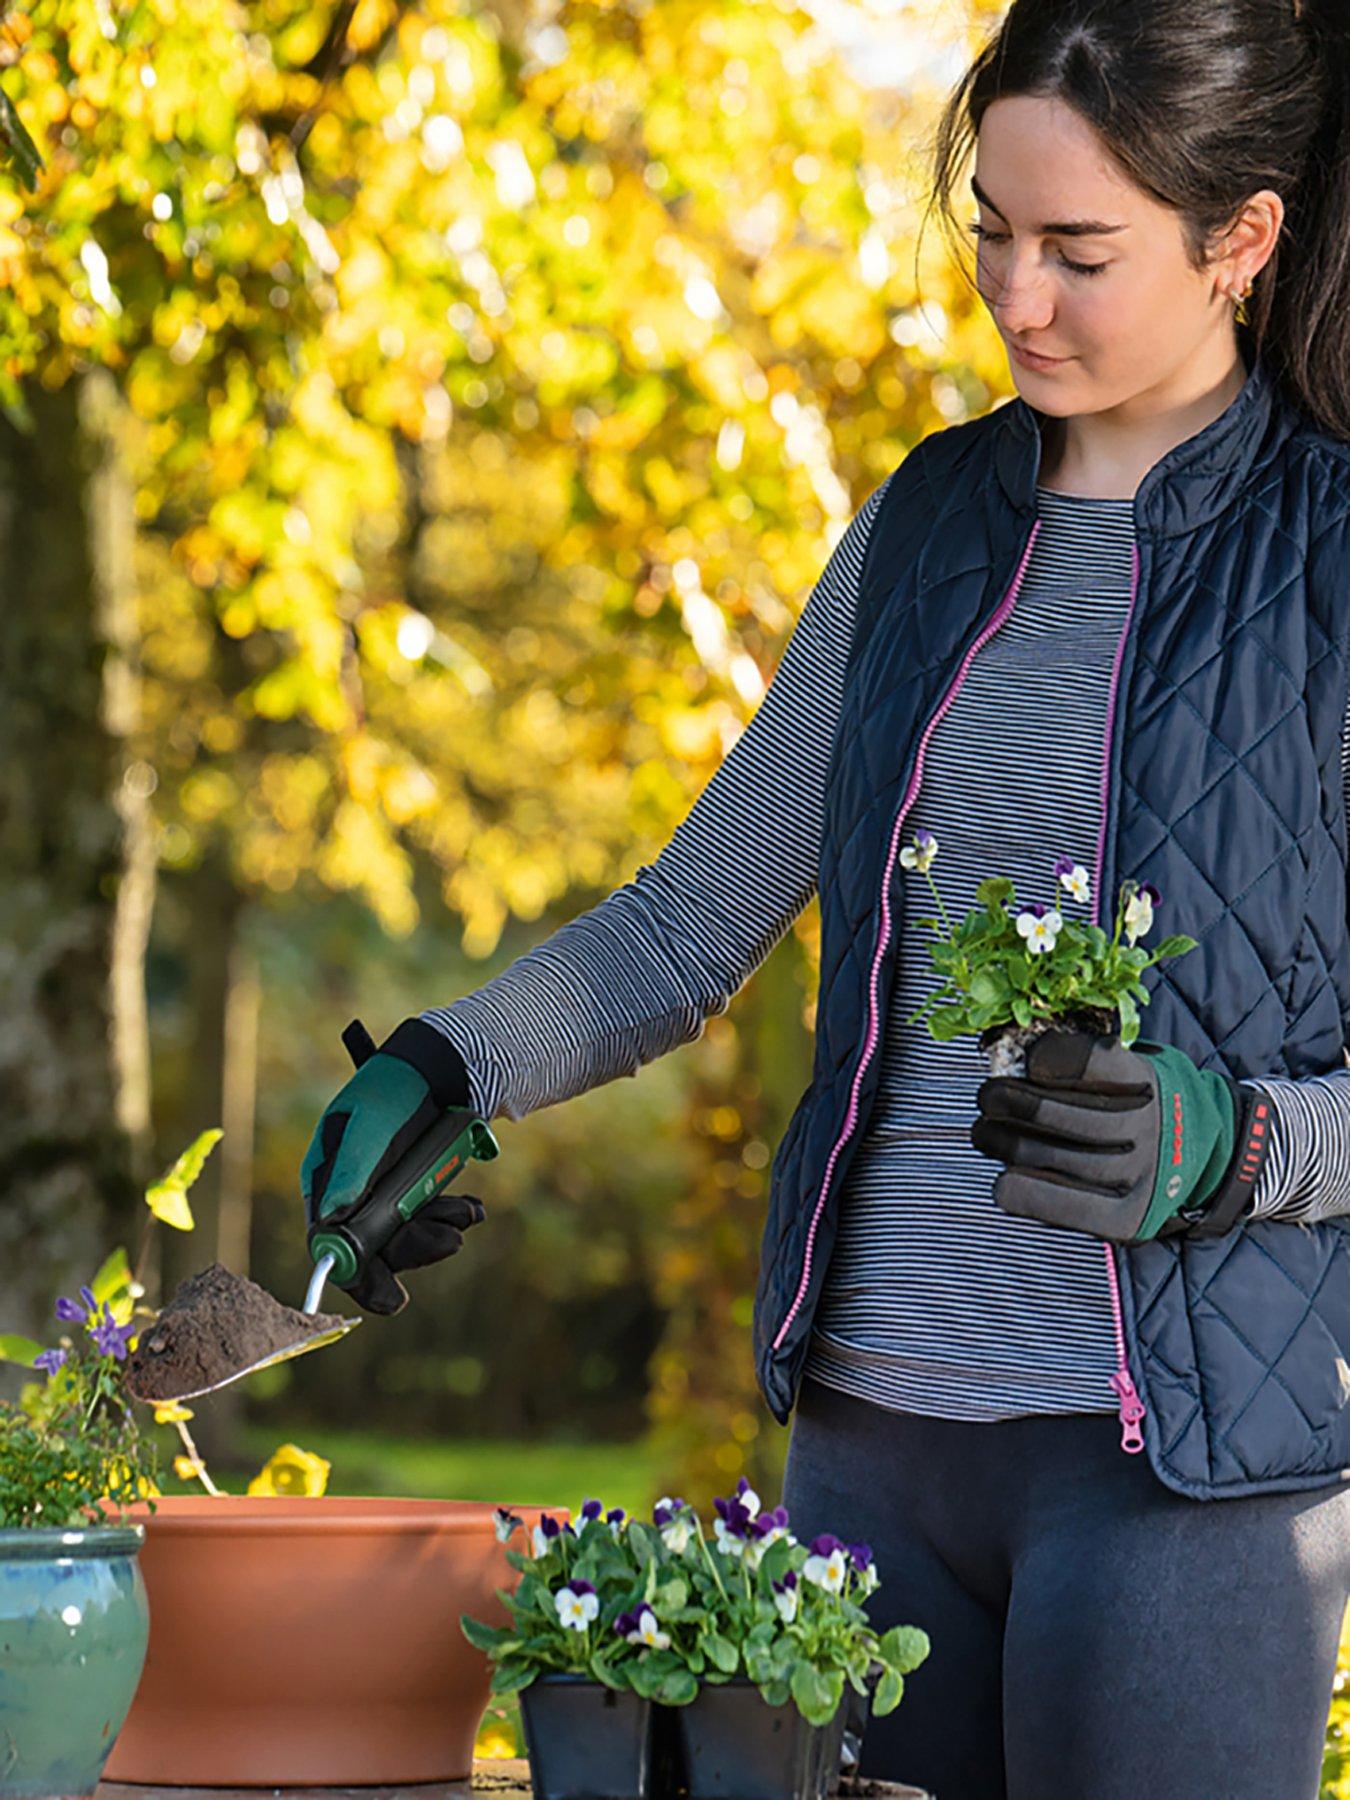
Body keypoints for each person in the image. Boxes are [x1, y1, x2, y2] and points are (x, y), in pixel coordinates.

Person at [301, 0, 1350, 1792]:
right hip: (871, 1453)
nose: (1016, 297)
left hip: (1182, 1483)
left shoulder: (1326, 561)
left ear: (1237, 239)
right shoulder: (923, 527)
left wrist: (1237, 1146)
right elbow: (688, 920)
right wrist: (446, 1065)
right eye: (992, 234)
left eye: (1079, 251)